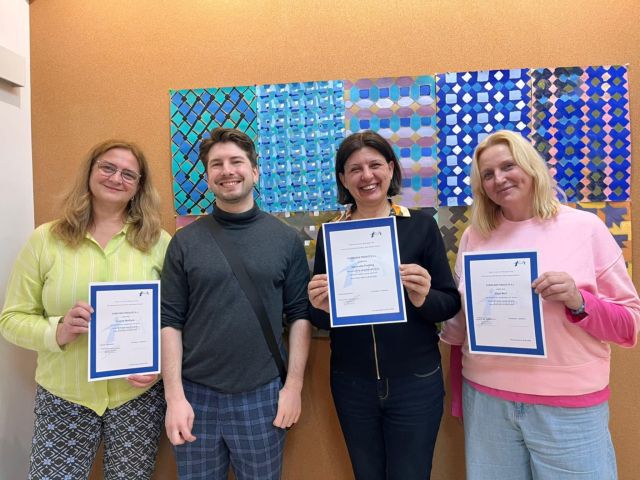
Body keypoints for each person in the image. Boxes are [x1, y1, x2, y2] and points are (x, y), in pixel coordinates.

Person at [440, 130, 640, 480]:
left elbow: (629, 326)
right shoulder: (475, 236)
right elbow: (459, 329)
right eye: (488, 174)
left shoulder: (585, 228)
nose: (499, 179)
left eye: (508, 166)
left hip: (568, 406)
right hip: (487, 402)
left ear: (532, 167)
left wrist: (579, 301)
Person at [0, 140, 170, 479]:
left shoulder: (159, 243)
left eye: (128, 174)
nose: (116, 178)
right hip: (64, 396)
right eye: (108, 167)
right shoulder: (46, 240)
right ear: (90, 172)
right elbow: (11, 319)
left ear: (139, 186)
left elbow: (177, 321)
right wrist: (57, 330)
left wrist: (161, 367)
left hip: (136, 396)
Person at [307, 130, 461, 480]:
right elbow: (320, 316)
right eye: (355, 169)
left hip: (415, 381)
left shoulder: (420, 226)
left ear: (390, 168)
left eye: (375, 165)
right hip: (352, 384)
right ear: (343, 178)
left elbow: (448, 303)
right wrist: (320, 306)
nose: (367, 176)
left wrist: (422, 298)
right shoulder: (331, 235)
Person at [161, 127, 312, 480]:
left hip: (262, 396)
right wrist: (174, 398)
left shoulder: (286, 240)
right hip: (195, 396)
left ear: (255, 171)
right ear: (207, 177)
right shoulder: (184, 242)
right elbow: (169, 321)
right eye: (216, 164)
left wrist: (293, 387)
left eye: (236, 161)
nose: (227, 170)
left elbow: (300, 316)